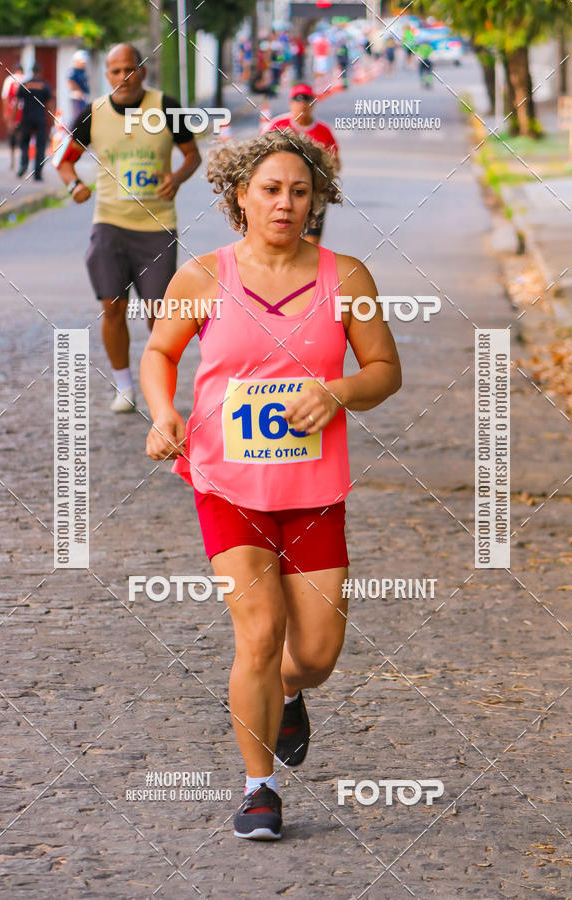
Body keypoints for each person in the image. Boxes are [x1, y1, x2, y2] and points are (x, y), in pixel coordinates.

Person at [140, 130, 402, 839]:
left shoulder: (347, 278)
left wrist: (338, 391)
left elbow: (385, 370)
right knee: (258, 633)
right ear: (239, 196)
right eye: (270, 189)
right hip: (226, 482)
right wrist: (164, 414)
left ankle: (288, 692)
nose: (285, 203)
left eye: (299, 191)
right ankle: (260, 789)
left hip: (314, 488)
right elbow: (160, 352)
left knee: (312, 655)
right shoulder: (203, 276)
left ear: (317, 201)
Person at [54, 42, 201, 413]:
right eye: (116, 71)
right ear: (107, 75)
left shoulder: (165, 107)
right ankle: (124, 386)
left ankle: (159, 389)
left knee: (158, 314)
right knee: (113, 307)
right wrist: (74, 186)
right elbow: (64, 161)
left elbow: (192, 155)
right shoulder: (93, 114)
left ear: (142, 71)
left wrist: (177, 178)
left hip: (157, 226)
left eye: (129, 69)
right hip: (110, 222)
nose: (123, 77)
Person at [266, 83, 339, 245]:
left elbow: (336, 163)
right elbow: (260, 157)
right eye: (297, 100)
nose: (302, 104)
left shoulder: (324, 131)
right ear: (290, 103)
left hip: (315, 193)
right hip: (284, 193)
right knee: (285, 239)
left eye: (307, 99)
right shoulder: (278, 125)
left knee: (312, 244)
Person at [16, 62, 53, 181]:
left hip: (26, 118)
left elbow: (17, 103)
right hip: (40, 119)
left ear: (32, 71)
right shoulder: (44, 85)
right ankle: (38, 173)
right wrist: (52, 121)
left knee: (24, 143)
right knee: (40, 146)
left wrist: (14, 119)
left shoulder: (25, 84)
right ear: (40, 71)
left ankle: (24, 165)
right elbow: (49, 105)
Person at [1, 63, 24, 170]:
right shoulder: (26, 79)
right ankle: (22, 160)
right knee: (23, 136)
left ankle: (13, 160)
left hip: (12, 112)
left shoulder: (9, 80)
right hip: (23, 112)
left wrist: (6, 113)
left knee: (12, 136)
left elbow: (5, 98)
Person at [67, 49, 90, 121]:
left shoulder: (82, 70)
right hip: (77, 97)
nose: (84, 64)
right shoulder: (73, 71)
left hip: (83, 97)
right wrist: (80, 91)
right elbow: (70, 80)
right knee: (78, 117)